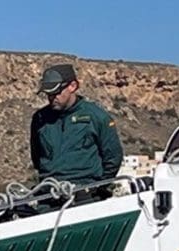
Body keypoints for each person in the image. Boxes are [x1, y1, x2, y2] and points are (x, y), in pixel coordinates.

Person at [30, 64, 123, 192]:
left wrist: (98, 188)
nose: (52, 98)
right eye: (48, 94)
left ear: (72, 86)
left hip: (86, 193)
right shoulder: (40, 119)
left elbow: (113, 157)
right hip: (50, 192)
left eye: (56, 92)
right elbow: (37, 157)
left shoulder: (97, 117)